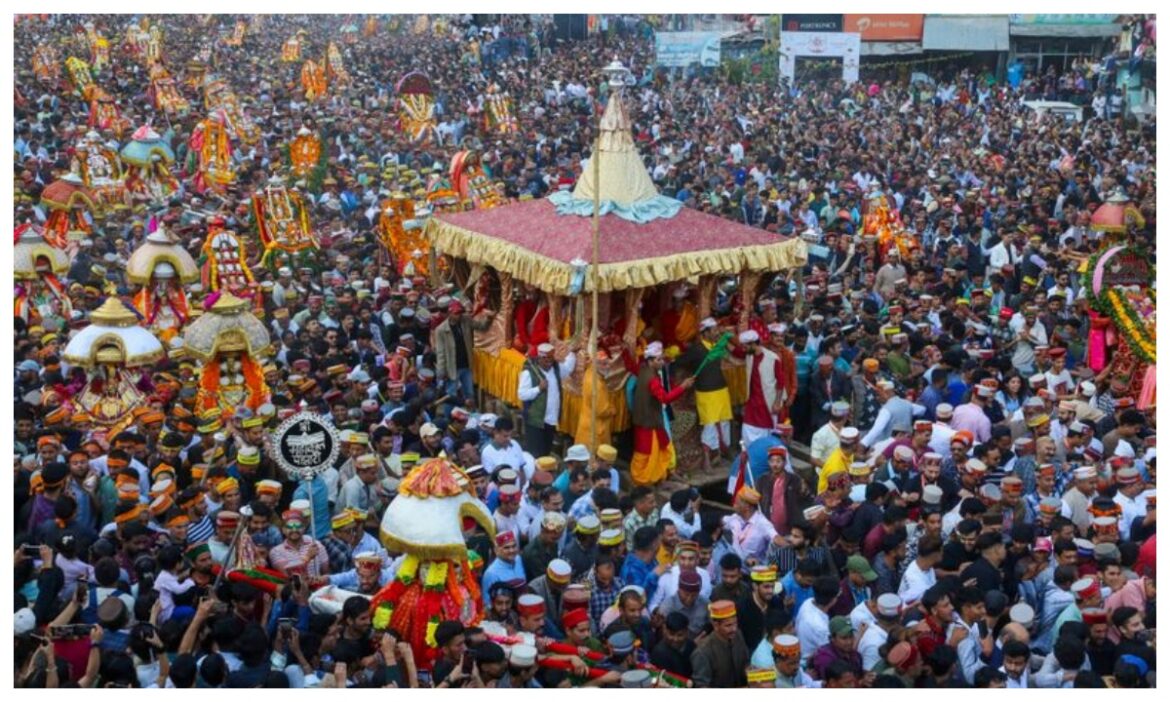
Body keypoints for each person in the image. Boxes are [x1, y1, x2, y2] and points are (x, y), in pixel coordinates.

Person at [629, 342, 693, 486]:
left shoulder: (643, 370)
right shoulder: (653, 380)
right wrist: (683, 387)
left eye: (662, 359)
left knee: (658, 449)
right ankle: (644, 481)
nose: (662, 362)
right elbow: (665, 398)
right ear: (650, 361)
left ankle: (658, 478)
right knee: (647, 453)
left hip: (645, 420)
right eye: (658, 360)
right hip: (649, 422)